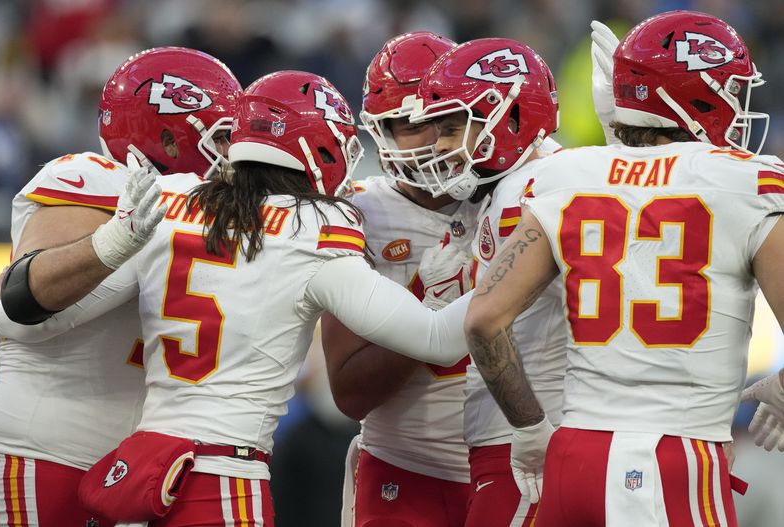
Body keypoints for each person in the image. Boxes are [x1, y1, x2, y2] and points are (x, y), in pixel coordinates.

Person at [1, 70, 471, 525]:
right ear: (320, 149)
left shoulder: (171, 200)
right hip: (223, 474)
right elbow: (437, 340)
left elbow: (30, 312)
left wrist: (107, 246)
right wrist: (467, 283)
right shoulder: (317, 228)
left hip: (144, 467)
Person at [463, 10, 784, 526]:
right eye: (730, 91)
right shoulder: (747, 182)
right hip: (672, 458)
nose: (739, 107)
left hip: (571, 455)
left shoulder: (567, 175)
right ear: (694, 96)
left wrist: (528, 429)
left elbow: (483, 319)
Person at [0, 47, 241, 526]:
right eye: (223, 136)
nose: (232, 154)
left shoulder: (211, 213)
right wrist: (115, 244)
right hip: (46, 450)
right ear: (168, 137)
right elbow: (18, 306)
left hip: (137, 468)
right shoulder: (94, 178)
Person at [320, 31, 480, 527]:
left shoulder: (520, 191)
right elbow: (350, 393)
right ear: (381, 129)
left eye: (445, 121)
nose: (434, 139)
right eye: (413, 123)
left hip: (512, 462)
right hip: (406, 469)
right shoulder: (357, 214)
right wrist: (428, 311)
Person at [407, 38, 566, 526]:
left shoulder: (533, 189)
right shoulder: (525, 184)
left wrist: (530, 427)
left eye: (452, 128)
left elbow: (483, 323)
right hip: (523, 439)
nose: (440, 147)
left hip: (529, 440)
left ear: (511, 120)